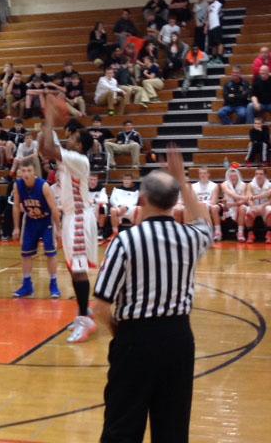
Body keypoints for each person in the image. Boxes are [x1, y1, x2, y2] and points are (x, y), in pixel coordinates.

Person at [95, 147, 212, 443]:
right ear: (175, 202)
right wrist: (182, 180)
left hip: (135, 340)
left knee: (122, 427)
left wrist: (119, 333)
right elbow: (204, 224)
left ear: (142, 199)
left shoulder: (125, 241)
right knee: (172, 430)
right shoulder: (192, 238)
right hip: (178, 339)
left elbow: (100, 304)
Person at [40, 94, 98, 343]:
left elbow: (48, 149)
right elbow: (43, 147)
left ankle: (85, 320)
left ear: (80, 145)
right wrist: (47, 119)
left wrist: (51, 117)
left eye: (73, 138)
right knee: (75, 269)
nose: (69, 139)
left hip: (79, 218)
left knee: (79, 270)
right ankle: (85, 313)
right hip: (72, 217)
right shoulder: (69, 157)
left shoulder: (78, 159)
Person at [11, 160, 62, 298]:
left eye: (29, 171)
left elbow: (54, 208)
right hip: (30, 220)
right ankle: (27, 285)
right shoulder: (18, 185)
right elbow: (16, 206)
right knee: (26, 253)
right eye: (23, 171)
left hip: (46, 220)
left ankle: (54, 283)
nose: (26, 174)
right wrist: (16, 227)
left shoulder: (44, 186)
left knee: (50, 253)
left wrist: (59, 229)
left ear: (34, 172)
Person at [192, 167, 222, 241]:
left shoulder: (214, 185)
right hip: (198, 205)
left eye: (204, 173)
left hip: (209, 205)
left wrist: (203, 204)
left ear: (208, 174)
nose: (202, 175)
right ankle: (194, 232)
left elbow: (213, 201)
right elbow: (192, 200)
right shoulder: (193, 186)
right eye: (201, 173)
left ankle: (218, 232)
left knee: (213, 207)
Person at [244, 167, 271, 243]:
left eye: (261, 174)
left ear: (265, 175)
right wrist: (253, 206)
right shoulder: (250, 185)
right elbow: (249, 197)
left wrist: (263, 205)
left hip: (266, 206)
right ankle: (250, 233)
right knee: (248, 214)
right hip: (254, 206)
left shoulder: (269, 185)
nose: (258, 176)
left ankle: (269, 234)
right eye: (257, 174)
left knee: (270, 211)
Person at [221, 167, 248, 242]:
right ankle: (220, 233)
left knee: (242, 207)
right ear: (228, 177)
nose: (233, 177)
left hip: (237, 205)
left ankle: (240, 233)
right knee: (223, 206)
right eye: (231, 176)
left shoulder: (244, 185)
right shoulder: (224, 184)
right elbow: (231, 194)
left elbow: (244, 201)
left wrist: (234, 204)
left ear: (238, 176)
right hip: (227, 206)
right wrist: (242, 197)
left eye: (235, 175)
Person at [206, 0, 225, 64]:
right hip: (211, 27)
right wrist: (206, 26)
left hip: (217, 25)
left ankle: (219, 58)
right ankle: (213, 58)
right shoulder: (209, 6)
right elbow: (208, 16)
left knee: (219, 42)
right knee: (213, 44)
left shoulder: (218, 2)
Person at [89, 173, 109, 239]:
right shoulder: (84, 187)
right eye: (91, 179)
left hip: (96, 209)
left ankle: (100, 229)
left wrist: (94, 201)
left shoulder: (101, 188)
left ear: (97, 180)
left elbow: (105, 200)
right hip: (86, 208)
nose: (93, 182)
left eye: (95, 180)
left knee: (103, 207)